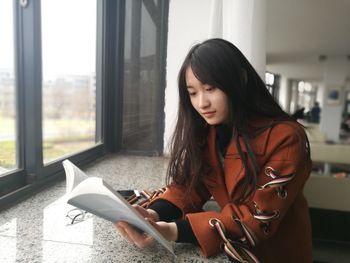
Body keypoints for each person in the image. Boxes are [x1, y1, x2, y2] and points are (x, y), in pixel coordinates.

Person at [115, 38, 312, 263]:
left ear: (240, 80)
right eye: (193, 92)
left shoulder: (286, 137)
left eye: (210, 88)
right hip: (231, 246)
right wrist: (154, 214)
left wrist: (171, 230)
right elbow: (191, 185)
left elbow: (258, 218)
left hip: (276, 253)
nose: (201, 103)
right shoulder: (206, 130)